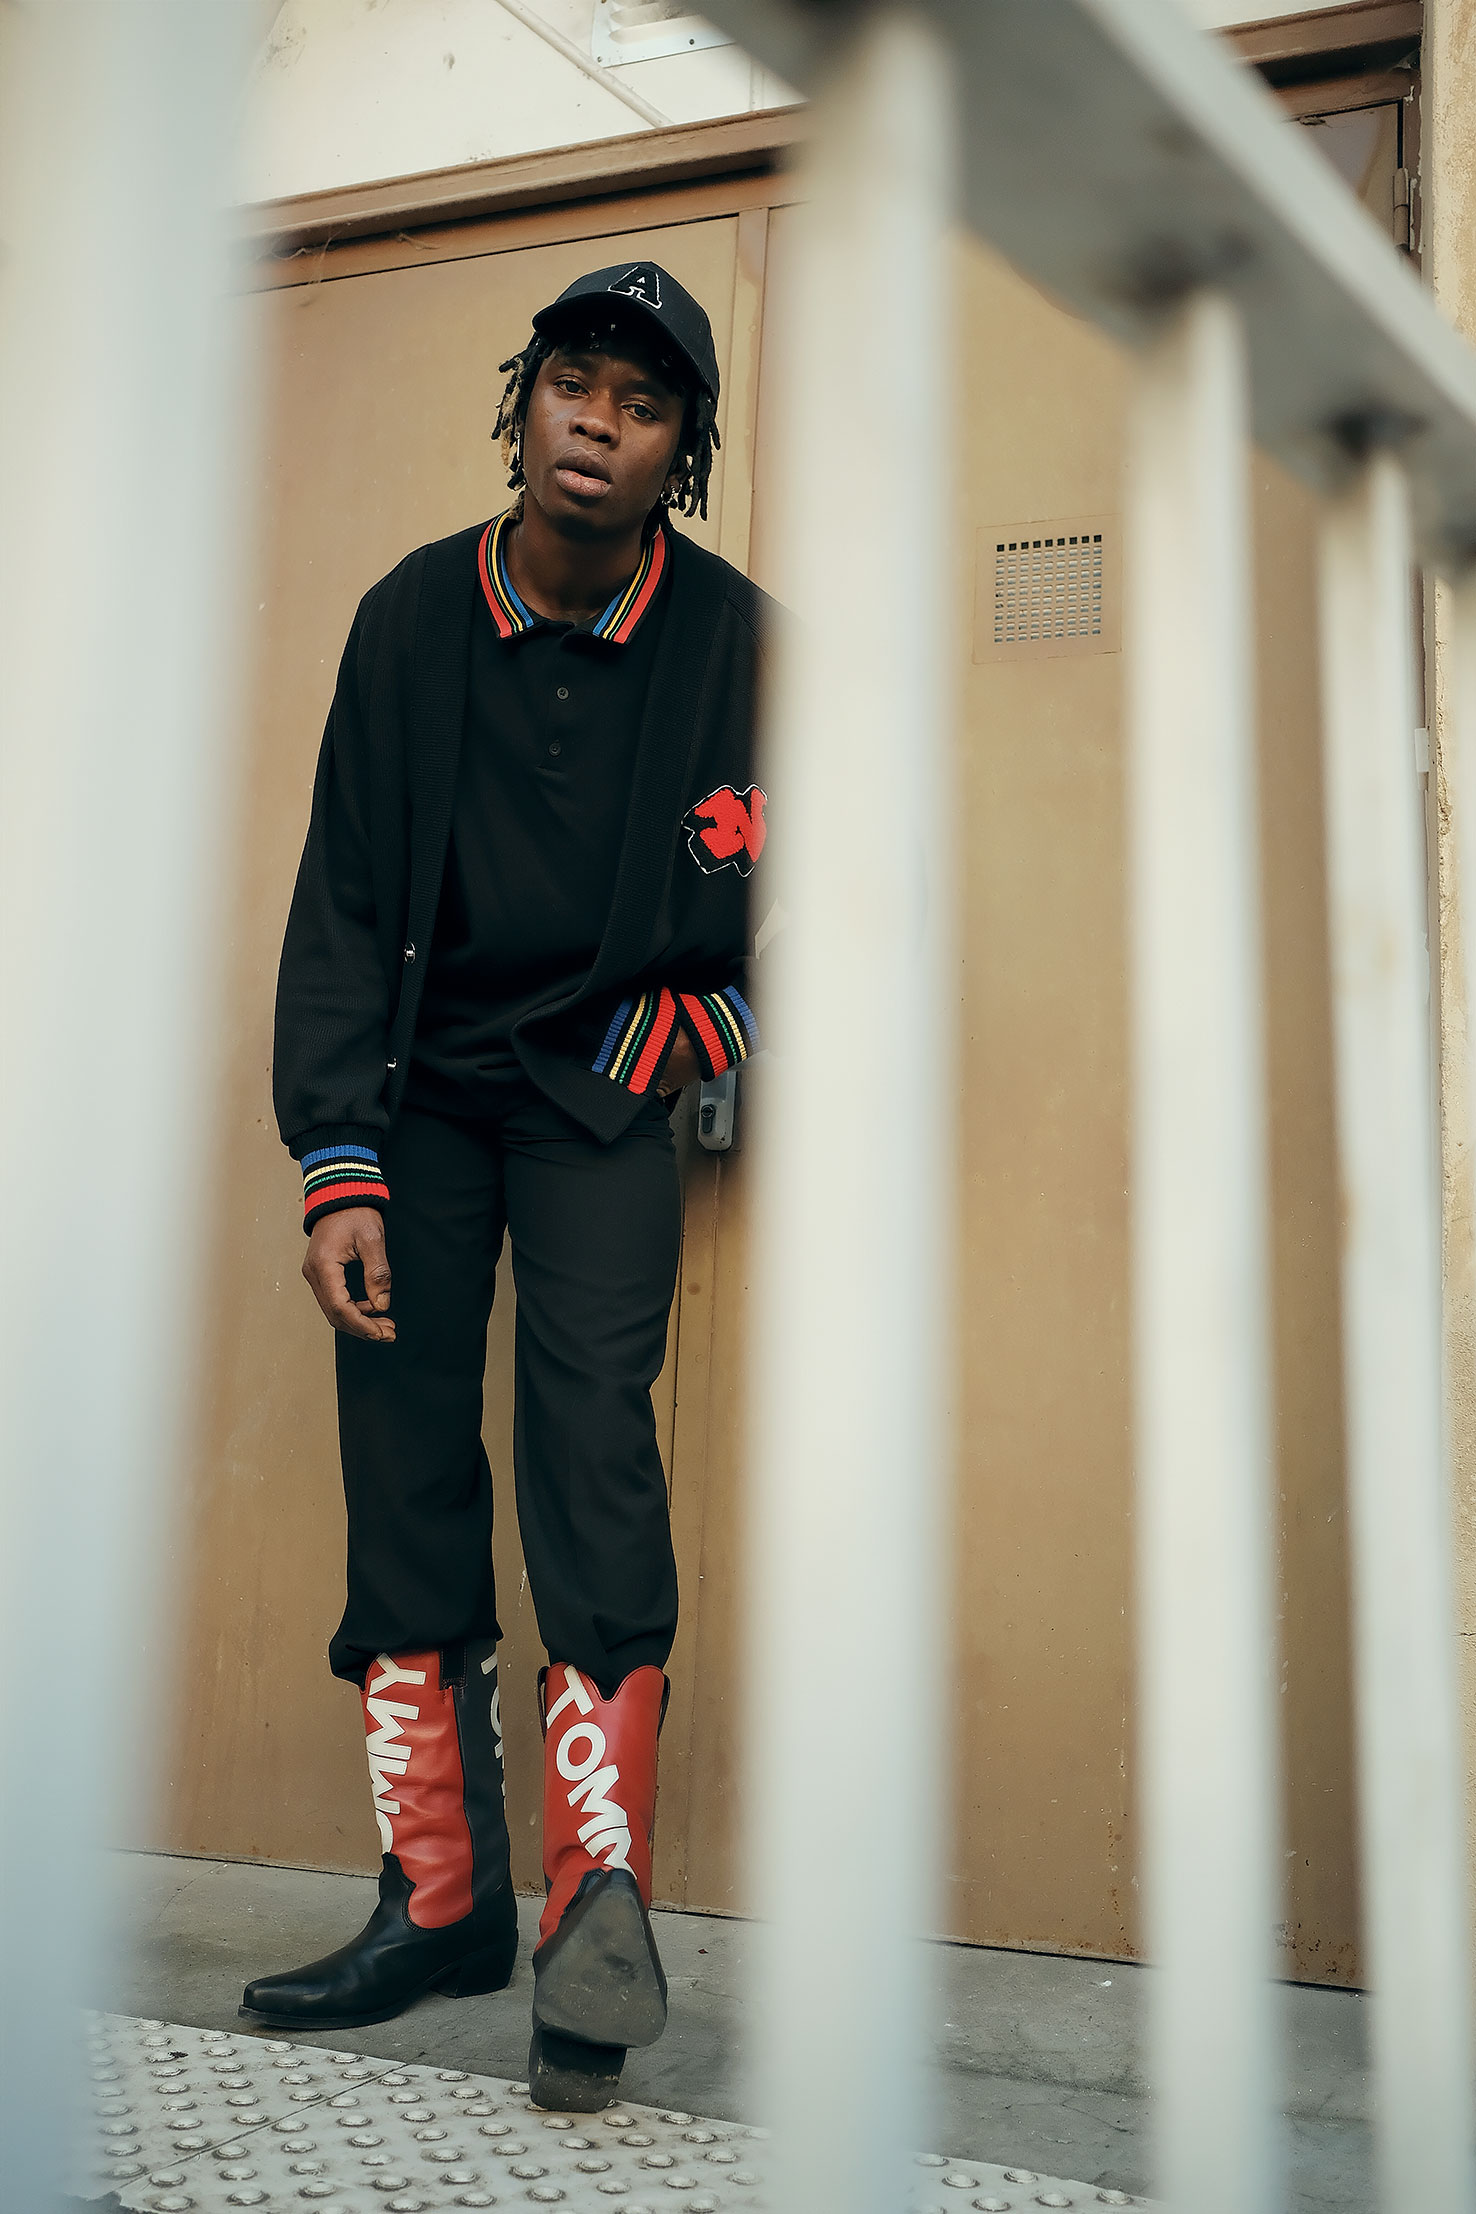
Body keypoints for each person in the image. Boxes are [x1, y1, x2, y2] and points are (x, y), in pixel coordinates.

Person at [239, 260, 771, 2113]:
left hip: (595, 1102)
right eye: (571, 382)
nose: (596, 422)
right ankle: (439, 1900)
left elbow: (851, 891)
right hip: (420, 1097)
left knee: (591, 1444)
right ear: (522, 402)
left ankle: (592, 1919)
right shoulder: (408, 618)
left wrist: (691, 1026)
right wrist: (337, 1158)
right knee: (401, 1445)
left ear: (679, 450)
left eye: (642, 401)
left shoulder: (740, 643)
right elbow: (342, 901)